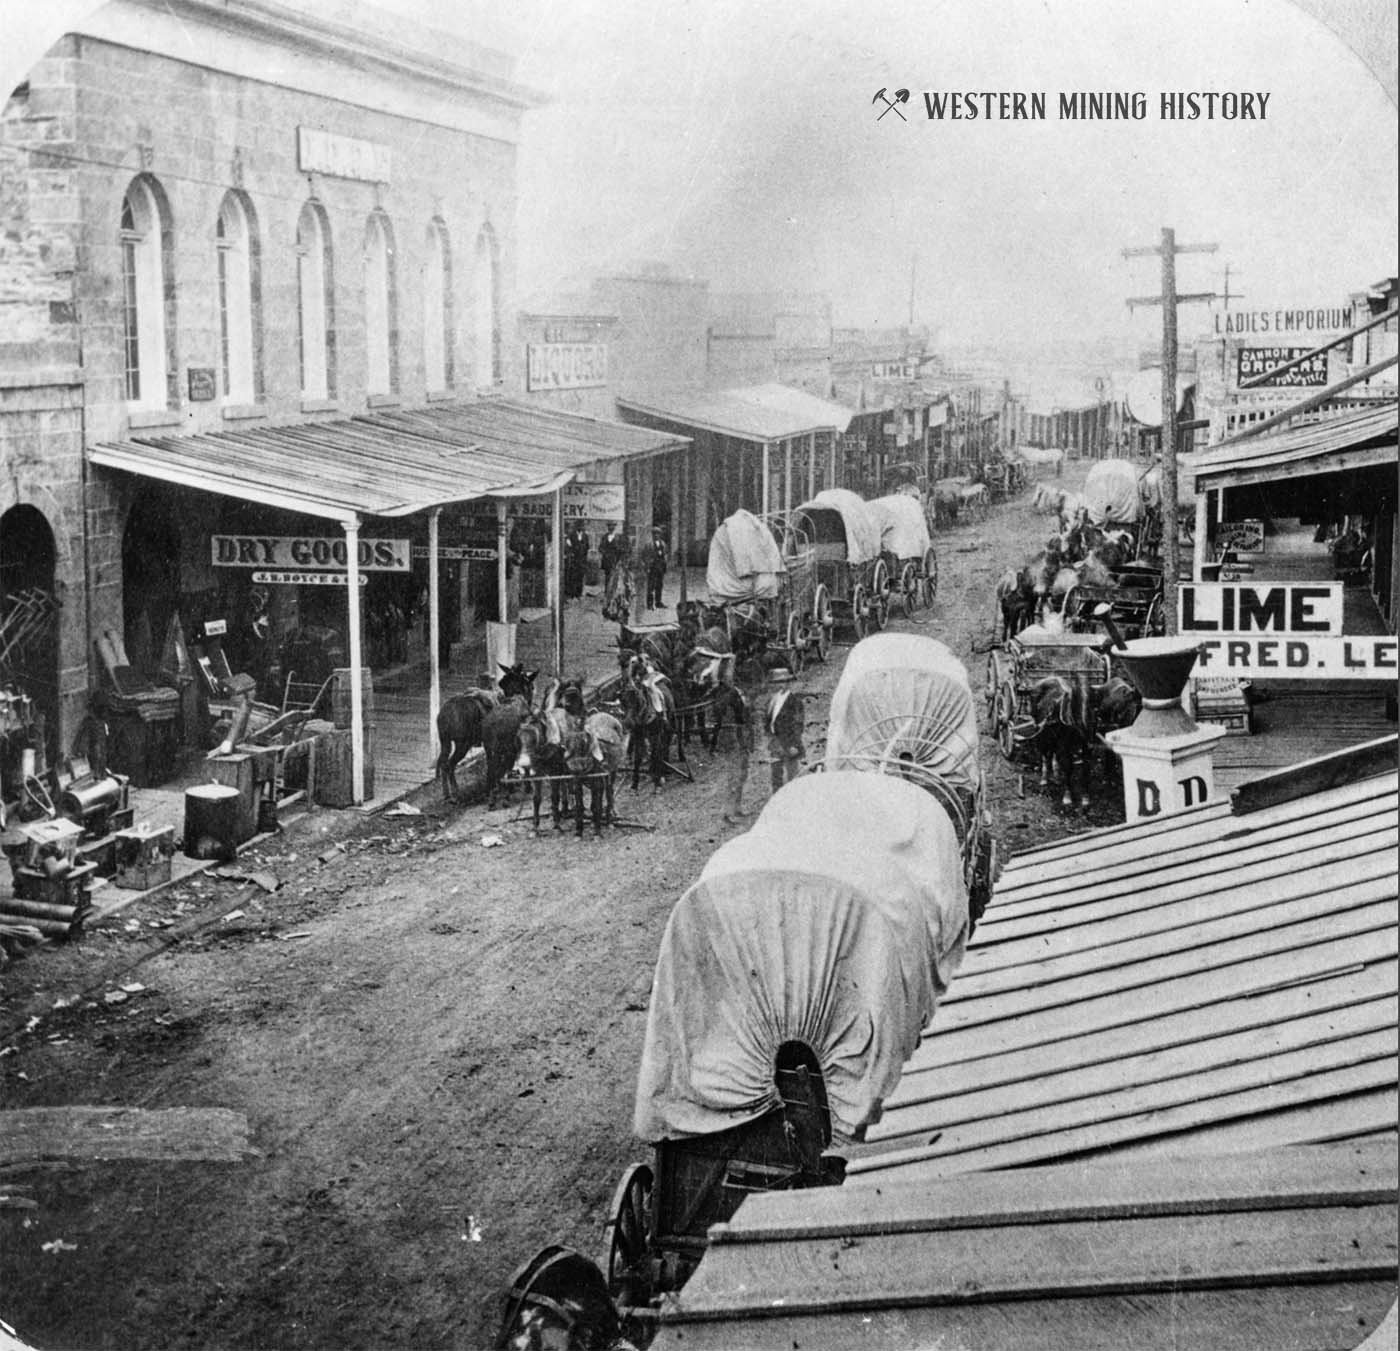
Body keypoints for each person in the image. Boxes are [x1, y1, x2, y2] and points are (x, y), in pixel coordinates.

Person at [645, 527, 668, 611]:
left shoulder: (663, 544)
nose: (656, 535)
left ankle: (658, 602)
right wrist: (647, 567)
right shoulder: (649, 545)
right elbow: (645, 557)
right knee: (651, 586)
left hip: (660, 567)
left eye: (658, 533)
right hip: (652, 567)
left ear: (660, 535)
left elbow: (665, 555)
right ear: (652, 535)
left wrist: (665, 566)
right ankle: (650, 604)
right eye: (654, 533)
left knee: (659, 585)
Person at [599, 522, 625, 595]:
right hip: (606, 560)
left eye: (612, 526)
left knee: (614, 576)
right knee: (607, 576)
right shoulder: (604, 537)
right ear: (608, 527)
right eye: (609, 526)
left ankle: (613, 593)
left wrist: (618, 557)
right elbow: (600, 548)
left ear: (614, 527)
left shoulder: (618, 537)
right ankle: (606, 593)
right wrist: (604, 553)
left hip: (614, 560)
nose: (611, 528)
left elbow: (621, 549)